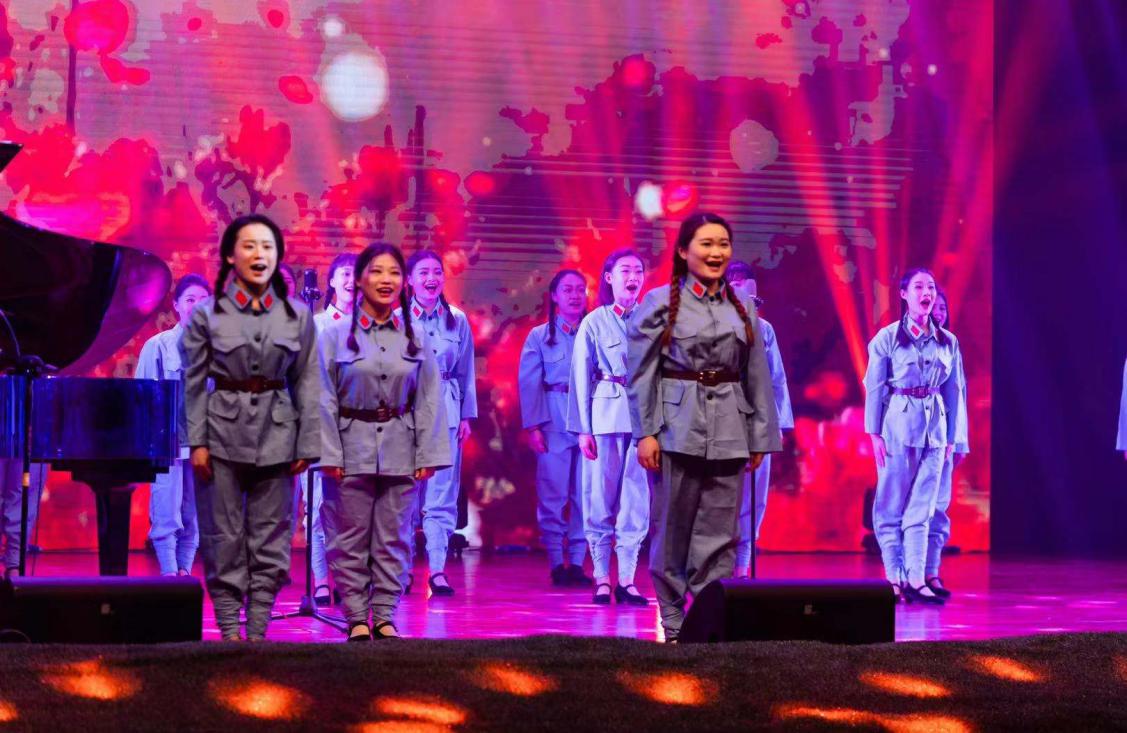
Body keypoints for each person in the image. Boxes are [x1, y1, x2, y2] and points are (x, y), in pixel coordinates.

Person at [627, 212, 781, 642]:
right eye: (706, 244)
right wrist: (646, 433)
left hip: (730, 427)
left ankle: (710, 620)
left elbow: (757, 376)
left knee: (721, 532)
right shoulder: (660, 303)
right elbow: (641, 375)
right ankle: (674, 620)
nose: (716, 253)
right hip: (676, 429)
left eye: (723, 244)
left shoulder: (743, 306)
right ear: (683, 250)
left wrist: (760, 436)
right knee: (672, 527)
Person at [182, 213, 321, 641]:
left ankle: (258, 630)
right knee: (222, 535)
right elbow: (192, 383)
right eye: (249, 245)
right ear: (230, 255)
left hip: (279, 436)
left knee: (271, 536)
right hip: (220, 437)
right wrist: (197, 443)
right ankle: (228, 628)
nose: (259, 254)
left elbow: (308, 381)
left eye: (267, 246)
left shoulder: (297, 316)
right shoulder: (206, 315)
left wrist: (307, 442)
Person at [318, 242, 450, 640]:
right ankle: (357, 616)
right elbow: (321, 397)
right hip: (350, 449)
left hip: (400, 448)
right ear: (359, 280)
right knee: (349, 537)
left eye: (393, 272)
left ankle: (385, 614)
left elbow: (429, 398)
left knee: (395, 537)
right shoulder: (333, 335)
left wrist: (427, 454)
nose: (386, 279)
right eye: (376, 271)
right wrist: (328, 453)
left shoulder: (415, 337)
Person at [863, 268, 966, 605]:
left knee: (923, 509)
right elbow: (875, 388)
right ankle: (894, 577)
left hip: (935, 431)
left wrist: (951, 438)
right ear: (904, 294)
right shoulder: (887, 338)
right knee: (890, 507)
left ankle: (918, 578)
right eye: (919, 287)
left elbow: (953, 392)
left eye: (931, 287)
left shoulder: (948, 341)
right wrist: (874, 434)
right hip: (897, 427)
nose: (927, 293)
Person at [567, 249, 650, 605]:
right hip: (604, 417)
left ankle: (627, 580)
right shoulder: (594, 322)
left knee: (635, 501)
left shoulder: (652, 321)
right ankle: (602, 576)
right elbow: (580, 378)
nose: (633, 277)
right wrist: (583, 429)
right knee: (599, 499)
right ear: (609, 278)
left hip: (643, 421)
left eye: (638, 271)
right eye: (625, 270)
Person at [404, 249, 477, 597]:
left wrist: (466, 415)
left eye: (436, 272)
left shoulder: (456, 319)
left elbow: (466, 372)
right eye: (423, 273)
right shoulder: (398, 317)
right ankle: (401, 569)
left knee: (442, 493)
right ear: (409, 280)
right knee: (405, 493)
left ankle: (437, 570)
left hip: (446, 412)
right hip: (407, 413)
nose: (431, 279)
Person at [519, 269, 593, 587]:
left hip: (590, 422)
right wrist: (534, 426)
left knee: (585, 496)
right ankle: (555, 562)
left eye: (580, 289)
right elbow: (529, 383)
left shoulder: (595, 331)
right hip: (553, 420)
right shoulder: (539, 336)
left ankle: (576, 562)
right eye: (568, 290)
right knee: (553, 496)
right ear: (554, 296)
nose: (575, 296)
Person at [135, 274, 211, 576]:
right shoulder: (158, 346)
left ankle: (184, 572)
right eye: (190, 299)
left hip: (204, 445)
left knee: (194, 514)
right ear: (177, 305)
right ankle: (169, 574)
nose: (197, 305)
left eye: (203, 300)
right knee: (167, 511)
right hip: (168, 444)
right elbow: (141, 396)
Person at [725, 261, 793, 575]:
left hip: (758, 423)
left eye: (755, 298)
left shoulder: (765, 330)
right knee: (720, 495)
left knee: (754, 498)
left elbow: (777, 379)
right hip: (721, 422)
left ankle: (743, 566)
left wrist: (777, 423)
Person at [302, 252, 356, 605]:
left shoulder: (373, 327)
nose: (352, 280)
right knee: (318, 506)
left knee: (353, 511)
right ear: (332, 281)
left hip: (359, 427)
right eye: (345, 274)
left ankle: (349, 579)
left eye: (357, 274)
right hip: (320, 426)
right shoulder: (316, 324)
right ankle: (321, 579)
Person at [923, 288, 969, 598]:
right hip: (912, 437)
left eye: (943, 307)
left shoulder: (950, 345)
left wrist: (959, 440)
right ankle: (907, 573)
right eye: (934, 306)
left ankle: (932, 571)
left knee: (939, 508)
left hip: (944, 439)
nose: (939, 312)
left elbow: (958, 394)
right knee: (912, 508)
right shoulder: (899, 340)